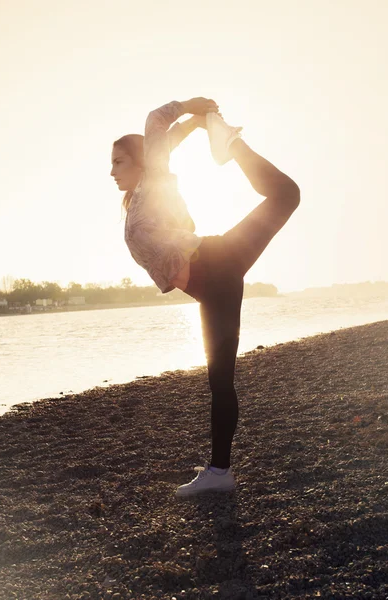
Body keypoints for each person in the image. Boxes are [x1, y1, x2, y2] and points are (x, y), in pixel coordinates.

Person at [111, 98, 300, 498]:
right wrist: (196, 125)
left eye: (119, 162)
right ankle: (220, 472)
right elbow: (168, 138)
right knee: (220, 381)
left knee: (286, 194)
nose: (112, 171)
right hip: (211, 281)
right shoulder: (140, 197)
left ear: (141, 162)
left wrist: (192, 107)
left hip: (215, 263)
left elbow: (156, 122)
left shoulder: (153, 183)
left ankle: (229, 142)